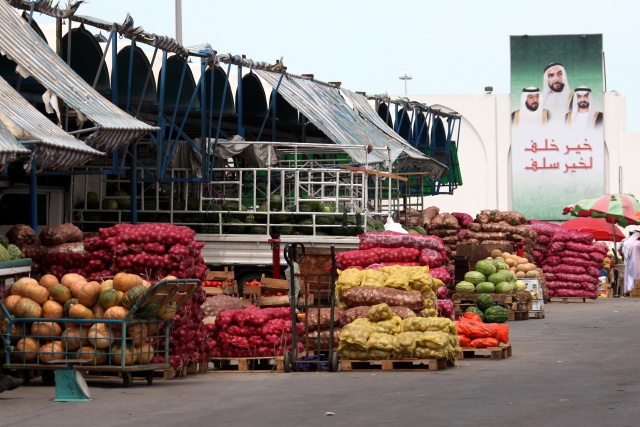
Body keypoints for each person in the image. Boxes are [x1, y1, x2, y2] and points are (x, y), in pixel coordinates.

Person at [619, 231, 640, 296]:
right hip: (637, 261)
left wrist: (624, 256)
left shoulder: (625, 241)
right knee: (636, 274)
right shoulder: (638, 243)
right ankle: (634, 289)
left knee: (628, 275)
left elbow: (619, 250)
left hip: (627, 261)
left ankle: (628, 289)